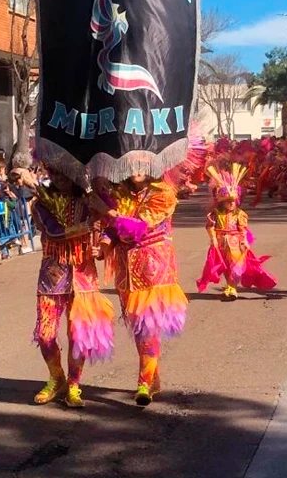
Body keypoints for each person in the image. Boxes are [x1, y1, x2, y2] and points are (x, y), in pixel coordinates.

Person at [98, 172, 189, 406]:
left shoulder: (164, 193)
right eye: (132, 163)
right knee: (140, 330)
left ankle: (144, 384)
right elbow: (112, 229)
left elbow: (137, 228)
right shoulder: (120, 193)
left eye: (142, 163)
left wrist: (108, 212)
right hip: (127, 272)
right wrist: (104, 243)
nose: (136, 169)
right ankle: (154, 378)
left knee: (148, 327)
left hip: (154, 269)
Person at [29, 169, 116, 408]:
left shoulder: (91, 201)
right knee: (45, 335)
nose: (59, 178)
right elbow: (53, 231)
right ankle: (57, 378)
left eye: (65, 173)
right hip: (52, 277)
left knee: (79, 336)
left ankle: (74, 384)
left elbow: (109, 228)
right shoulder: (41, 203)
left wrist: (103, 247)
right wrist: (88, 225)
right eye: (54, 173)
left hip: (84, 277)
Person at [199, 164, 276, 300]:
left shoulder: (240, 214)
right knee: (225, 266)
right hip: (221, 243)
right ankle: (229, 285)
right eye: (228, 201)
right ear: (222, 202)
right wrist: (213, 239)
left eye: (233, 201)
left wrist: (245, 240)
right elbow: (210, 226)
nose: (231, 204)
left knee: (235, 264)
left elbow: (243, 229)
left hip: (235, 242)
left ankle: (232, 287)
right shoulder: (215, 214)